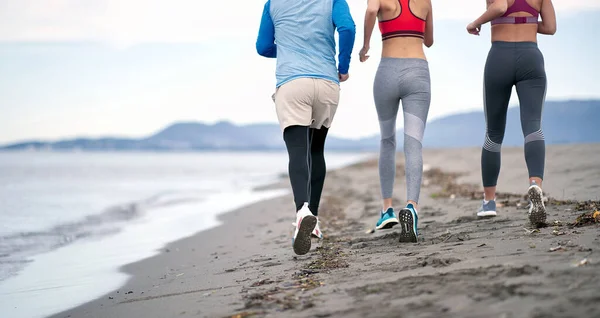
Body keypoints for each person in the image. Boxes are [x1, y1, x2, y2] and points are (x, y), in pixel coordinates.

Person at [256, 0, 356, 255]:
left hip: (292, 84)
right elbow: (347, 28)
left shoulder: (272, 3)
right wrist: (343, 66)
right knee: (316, 151)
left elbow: (263, 47)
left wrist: (292, 48)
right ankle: (313, 219)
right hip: (326, 84)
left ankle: (303, 210)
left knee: (298, 152)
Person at [467, 0, 556, 227]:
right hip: (531, 56)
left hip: (500, 57)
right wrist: (526, 23)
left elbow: (499, 7)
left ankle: (489, 203)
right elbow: (551, 27)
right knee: (533, 126)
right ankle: (535, 185)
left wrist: (476, 23)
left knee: (494, 133)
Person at [360, 0, 434, 243]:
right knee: (413, 143)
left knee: (387, 140)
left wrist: (366, 44)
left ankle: (387, 209)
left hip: (387, 72)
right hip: (417, 72)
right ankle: (411, 206)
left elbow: (371, 10)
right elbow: (429, 41)